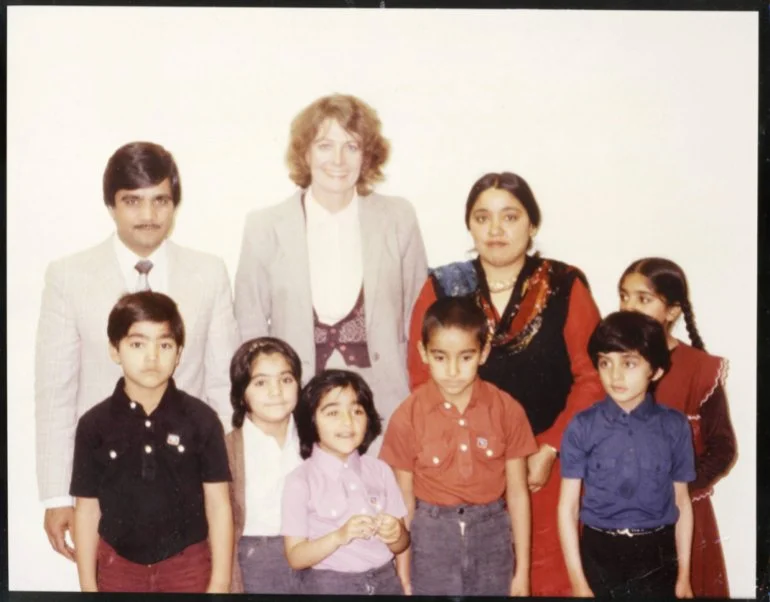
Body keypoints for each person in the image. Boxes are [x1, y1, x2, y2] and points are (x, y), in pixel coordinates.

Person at [35, 141, 240, 562]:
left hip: (189, 481)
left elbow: (224, 385)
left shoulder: (209, 273)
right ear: (111, 205)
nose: (148, 216)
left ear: (174, 204)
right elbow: (55, 392)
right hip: (106, 483)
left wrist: (226, 483)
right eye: (133, 201)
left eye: (160, 200)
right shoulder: (68, 277)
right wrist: (57, 494)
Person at [406, 171, 604, 595]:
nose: (495, 230)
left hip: (546, 471)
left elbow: (591, 378)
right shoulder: (442, 287)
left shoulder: (565, 284)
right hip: (467, 476)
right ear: (469, 225)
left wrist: (550, 447)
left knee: (547, 582)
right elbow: (422, 380)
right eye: (482, 218)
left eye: (510, 217)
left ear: (532, 225)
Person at [234, 94, 428, 453]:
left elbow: (418, 318)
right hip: (298, 400)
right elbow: (250, 326)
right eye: (325, 145)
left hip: (383, 398)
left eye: (351, 146)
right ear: (305, 153)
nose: (337, 160)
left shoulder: (398, 219)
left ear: (367, 154)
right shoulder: (264, 226)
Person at [70, 291, 233, 593]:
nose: (152, 356)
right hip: (117, 567)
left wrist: (220, 582)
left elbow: (219, 504)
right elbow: (87, 510)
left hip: (188, 566)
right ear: (114, 350)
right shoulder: (94, 425)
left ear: (179, 353)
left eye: (165, 344)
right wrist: (87, 585)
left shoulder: (202, 419)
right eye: (137, 343)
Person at [381, 296, 537, 596]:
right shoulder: (407, 416)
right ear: (423, 353)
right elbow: (405, 500)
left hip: (492, 536)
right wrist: (404, 573)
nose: (452, 371)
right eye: (440, 357)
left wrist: (522, 573)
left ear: (484, 352)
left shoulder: (507, 409)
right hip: (430, 537)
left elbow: (518, 494)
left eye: (465, 357)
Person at [618, 257, 737, 597]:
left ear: (671, 311)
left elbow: (723, 448)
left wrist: (682, 490)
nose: (629, 306)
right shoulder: (609, 365)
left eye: (643, 298)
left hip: (681, 518)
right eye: (624, 296)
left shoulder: (699, 369)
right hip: (621, 515)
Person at [558, 311, 695, 598]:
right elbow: (568, 508)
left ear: (656, 371)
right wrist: (579, 583)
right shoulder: (582, 425)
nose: (615, 375)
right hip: (599, 553)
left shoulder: (674, 425)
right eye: (605, 363)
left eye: (629, 363)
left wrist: (683, 578)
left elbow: (681, 501)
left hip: (657, 553)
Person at [281, 369, 409, 595]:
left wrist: (396, 533)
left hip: (385, 581)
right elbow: (295, 557)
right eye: (332, 413)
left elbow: (402, 544)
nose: (347, 422)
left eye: (357, 411)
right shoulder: (300, 481)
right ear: (310, 420)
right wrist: (339, 536)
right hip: (330, 586)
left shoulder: (380, 470)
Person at [225, 337, 304, 594]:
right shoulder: (227, 449)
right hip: (254, 561)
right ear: (241, 393)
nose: (276, 391)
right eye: (260, 382)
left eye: (286, 379)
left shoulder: (316, 442)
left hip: (313, 554)